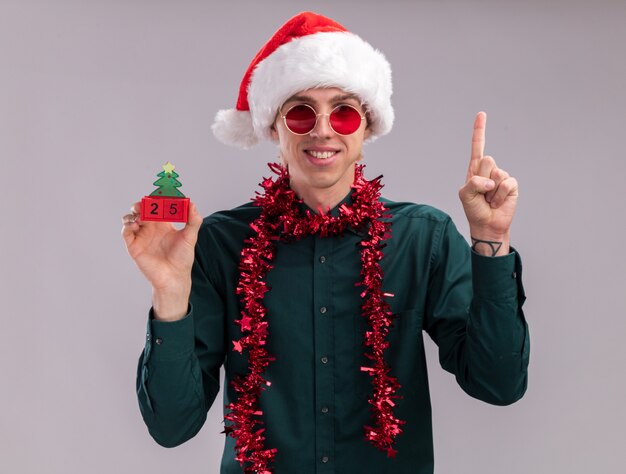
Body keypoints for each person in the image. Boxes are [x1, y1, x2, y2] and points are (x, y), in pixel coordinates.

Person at [121, 11, 529, 474]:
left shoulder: (423, 238)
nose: (322, 129)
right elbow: (172, 426)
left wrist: (491, 241)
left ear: (366, 127)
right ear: (273, 128)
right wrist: (170, 296)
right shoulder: (220, 243)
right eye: (299, 112)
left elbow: (499, 384)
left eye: (344, 111)